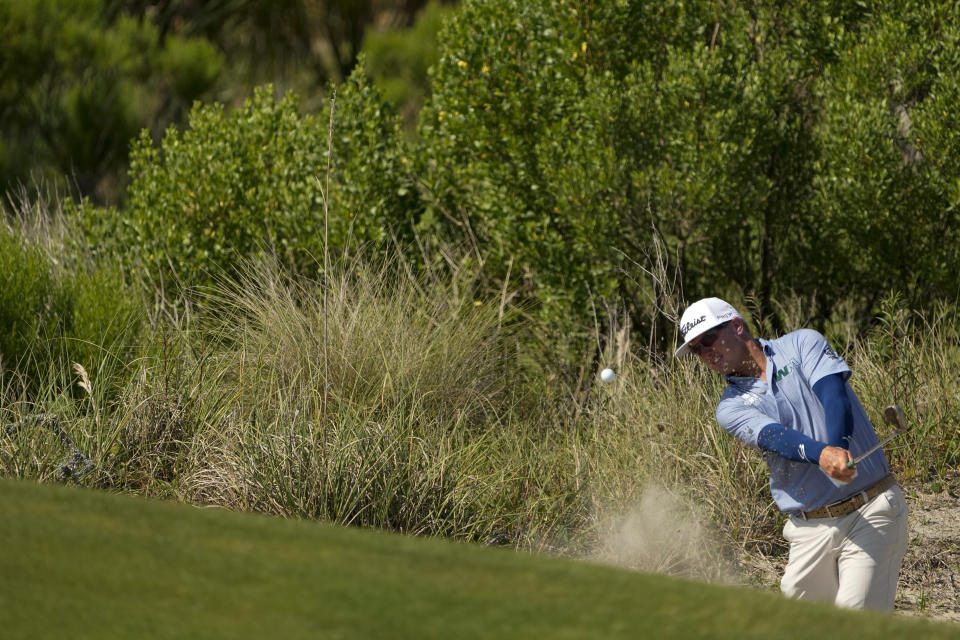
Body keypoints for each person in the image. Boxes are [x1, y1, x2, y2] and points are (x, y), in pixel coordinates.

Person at [675, 297, 908, 611]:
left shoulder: (802, 343)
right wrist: (823, 454)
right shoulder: (729, 408)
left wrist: (838, 445)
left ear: (736, 326)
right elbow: (775, 437)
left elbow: (833, 392)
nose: (705, 353)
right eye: (696, 349)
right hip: (811, 527)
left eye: (708, 340)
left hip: (872, 507)